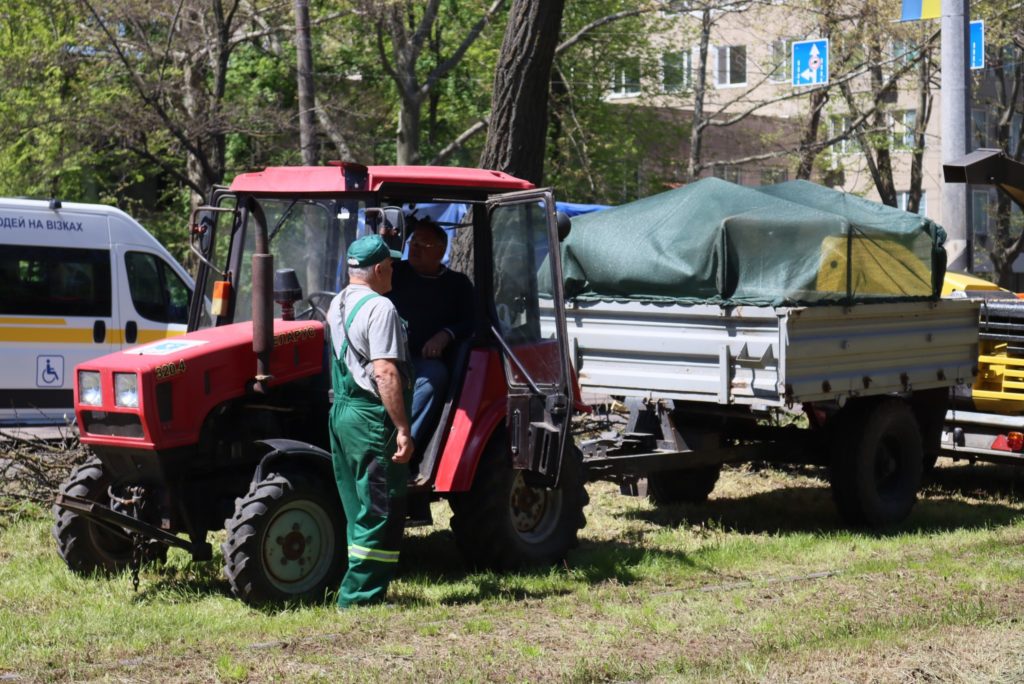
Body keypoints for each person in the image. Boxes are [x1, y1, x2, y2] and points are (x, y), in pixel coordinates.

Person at [326, 234, 414, 609]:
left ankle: (358, 591)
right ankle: (359, 599)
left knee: (357, 508)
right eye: (391, 265)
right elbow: (384, 373)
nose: (394, 270)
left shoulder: (337, 303)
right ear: (378, 269)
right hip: (369, 417)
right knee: (381, 508)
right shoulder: (381, 308)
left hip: (342, 413)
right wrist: (403, 428)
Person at [386, 218, 475, 453]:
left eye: (423, 243)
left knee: (433, 376)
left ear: (441, 250)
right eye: (413, 241)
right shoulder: (394, 274)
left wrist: (446, 334)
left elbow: (474, 320)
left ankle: (402, 446)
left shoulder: (457, 284)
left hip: (420, 360)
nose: (414, 248)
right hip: (386, 353)